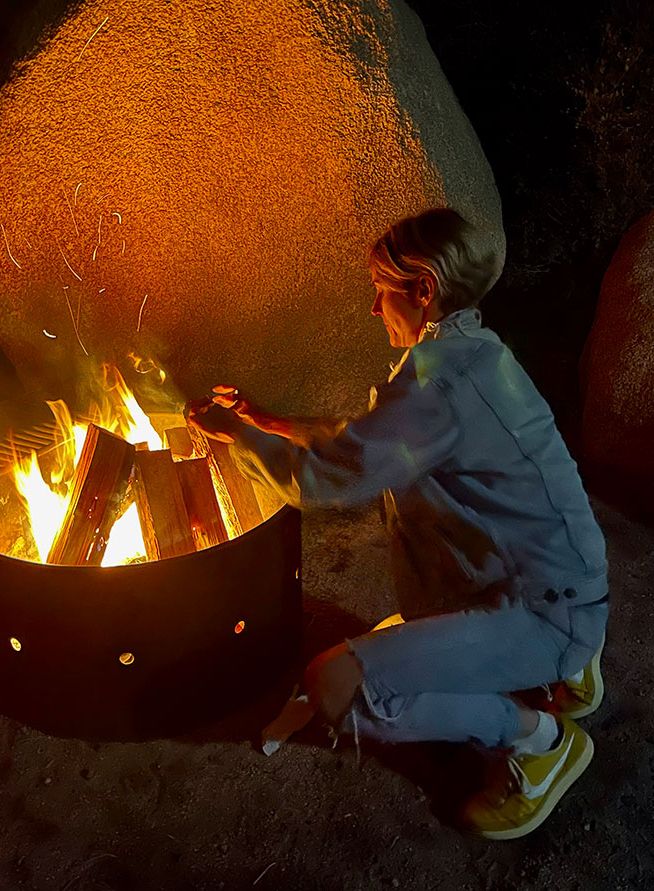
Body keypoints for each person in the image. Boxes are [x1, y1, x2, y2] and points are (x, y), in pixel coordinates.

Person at [188, 208, 608, 839]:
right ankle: (566, 669)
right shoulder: (470, 353)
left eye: (380, 291)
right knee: (389, 648)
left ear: (423, 290)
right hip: (564, 578)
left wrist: (235, 438)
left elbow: (329, 477)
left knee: (339, 689)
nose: (373, 307)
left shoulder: (438, 385)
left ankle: (542, 743)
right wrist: (268, 424)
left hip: (543, 607)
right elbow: (370, 442)